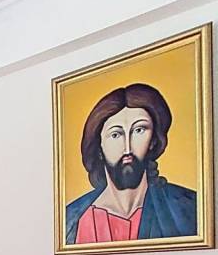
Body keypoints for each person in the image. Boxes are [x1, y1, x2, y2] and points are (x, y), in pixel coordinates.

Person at [65, 83, 197, 244]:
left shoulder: (188, 208)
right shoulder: (70, 219)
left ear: (153, 141)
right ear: (99, 147)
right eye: (116, 134)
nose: (127, 148)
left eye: (139, 130)